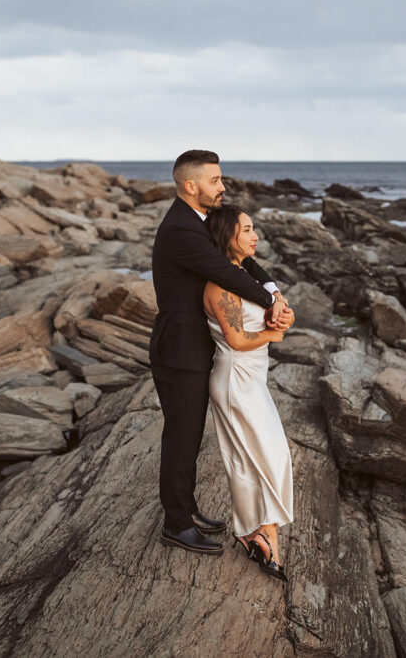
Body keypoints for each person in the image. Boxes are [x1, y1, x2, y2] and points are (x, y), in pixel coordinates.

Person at [149, 149, 294, 556]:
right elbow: (225, 271)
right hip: (179, 351)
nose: (222, 186)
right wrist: (271, 306)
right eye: (214, 180)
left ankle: (186, 509)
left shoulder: (200, 221)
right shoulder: (180, 228)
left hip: (197, 350)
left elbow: (242, 262)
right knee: (181, 438)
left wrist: (274, 293)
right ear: (190, 185)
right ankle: (176, 524)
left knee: (190, 436)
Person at [203, 205, 294, 582]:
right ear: (227, 236)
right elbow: (237, 340)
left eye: (253, 229)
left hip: (254, 378)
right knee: (267, 457)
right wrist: (276, 333)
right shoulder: (220, 285)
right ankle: (265, 536)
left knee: (251, 459)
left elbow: (277, 304)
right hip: (235, 379)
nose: (255, 236)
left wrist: (284, 312)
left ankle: (252, 531)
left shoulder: (247, 275)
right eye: (246, 230)